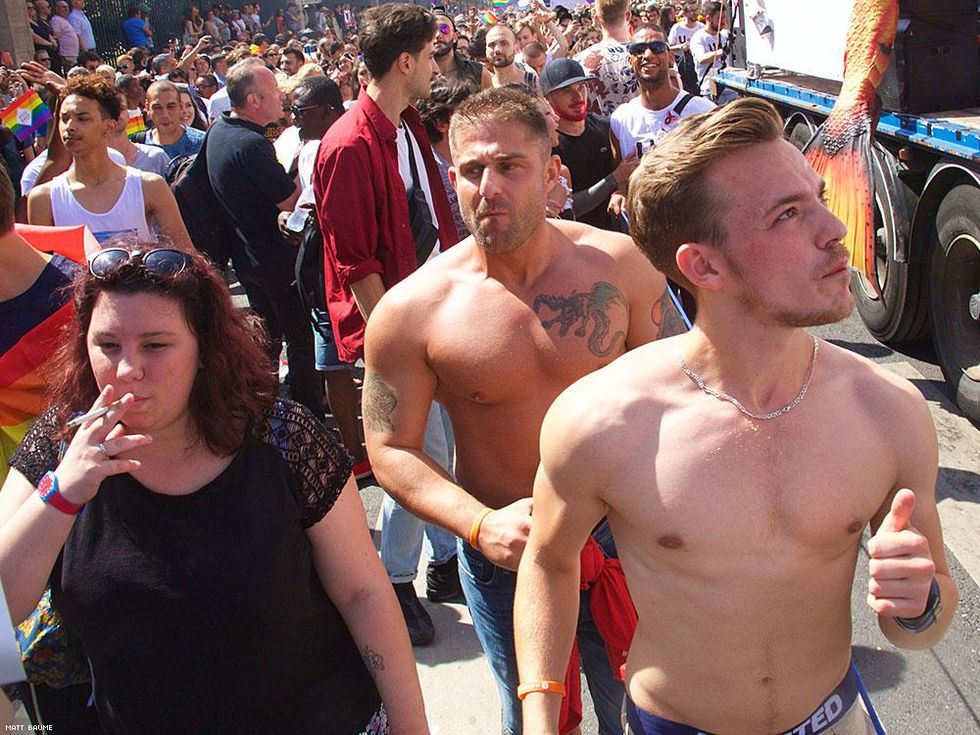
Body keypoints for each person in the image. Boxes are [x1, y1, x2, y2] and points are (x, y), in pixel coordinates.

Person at [514, 97, 960, 735]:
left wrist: (918, 606)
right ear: (703, 265)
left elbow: (924, 614)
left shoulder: (887, 411)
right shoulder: (604, 421)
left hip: (833, 720)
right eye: (787, 215)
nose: (835, 228)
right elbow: (550, 561)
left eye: (817, 197)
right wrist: (539, 714)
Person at [0, 241, 430, 734]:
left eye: (155, 346)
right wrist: (64, 493)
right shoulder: (60, 444)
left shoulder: (281, 438)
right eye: (108, 345)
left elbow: (363, 593)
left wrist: (411, 726)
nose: (127, 370)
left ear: (204, 350)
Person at [363, 85, 686, 735]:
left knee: (647, 709)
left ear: (551, 173)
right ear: (449, 177)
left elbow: (685, 390)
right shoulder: (413, 311)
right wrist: (480, 525)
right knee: (532, 718)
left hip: (623, 539)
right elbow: (390, 447)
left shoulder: (621, 267)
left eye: (511, 166)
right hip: (506, 549)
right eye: (472, 170)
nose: (490, 186)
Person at [313, 2, 462, 648]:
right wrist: (399, 348)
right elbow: (356, 266)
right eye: (430, 56)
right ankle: (396, 579)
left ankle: (446, 565)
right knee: (415, 456)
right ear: (406, 61)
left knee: (439, 444)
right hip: (394, 337)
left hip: (431, 316)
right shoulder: (348, 143)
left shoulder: (402, 128)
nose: (436, 66)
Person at [207, 58, 322, 421]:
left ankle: (262, 407)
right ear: (253, 100)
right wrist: (306, 162)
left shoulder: (220, 131)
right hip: (276, 264)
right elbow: (291, 201)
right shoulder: (250, 145)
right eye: (274, 92)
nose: (282, 98)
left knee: (267, 340)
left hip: (248, 259)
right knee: (299, 341)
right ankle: (307, 416)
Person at [27, 76, 192, 250]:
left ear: (109, 126)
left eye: (82, 118)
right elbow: (44, 272)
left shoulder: (150, 187)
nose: (70, 127)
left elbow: (187, 258)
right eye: (64, 118)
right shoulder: (43, 199)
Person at [540, 58, 636, 229]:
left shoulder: (606, 126)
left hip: (614, 235)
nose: (577, 96)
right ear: (548, 98)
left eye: (581, 87)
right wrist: (612, 180)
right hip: (575, 240)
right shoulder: (547, 146)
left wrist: (619, 190)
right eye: (567, 91)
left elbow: (623, 175)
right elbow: (566, 207)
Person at [610, 22, 715, 161]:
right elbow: (620, 175)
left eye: (657, 48)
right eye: (639, 49)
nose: (647, 55)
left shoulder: (704, 112)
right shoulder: (620, 120)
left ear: (671, 57)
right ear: (630, 60)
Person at [574, 0, 636, 115]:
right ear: (628, 16)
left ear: (597, 20)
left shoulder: (580, 61)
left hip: (600, 131)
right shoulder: (650, 53)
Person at [142, 81, 205, 161]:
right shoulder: (141, 146)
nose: (165, 114)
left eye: (171, 107)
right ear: (147, 108)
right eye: (157, 107)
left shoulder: (202, 143)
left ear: (180, 106)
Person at [690, 0, 735, 103]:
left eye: (724, 17)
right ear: (708, 18)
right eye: (719, 18)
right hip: (710, 90)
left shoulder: (724, 35)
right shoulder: (699, 37)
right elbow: (701, 58)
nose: (723, 21)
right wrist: (721, 52)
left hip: (731, 87)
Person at [432, 11, 490, 91]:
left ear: (455, 37)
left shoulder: (478, 72)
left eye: (444, 29)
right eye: (433, 30)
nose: (438, 35)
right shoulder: (415, 74)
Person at [486, 24, 538, 91]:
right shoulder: (484, 87)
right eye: (492, 45)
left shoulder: (531, 82)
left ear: (515, 47)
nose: (497, 49)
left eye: (504, 43)